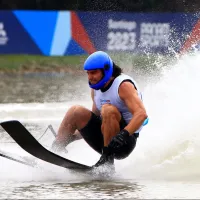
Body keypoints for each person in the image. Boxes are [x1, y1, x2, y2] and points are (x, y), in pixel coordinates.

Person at [51, 51, 148, 170]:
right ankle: (55, 150)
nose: (90, 77)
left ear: (106, 70)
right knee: (75, 111)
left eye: (94, 73)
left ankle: (107, 162)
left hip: (125, 142)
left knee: (108, 110)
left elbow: (141, 114)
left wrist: (123, 134)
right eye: (88, 73)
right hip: (104, 140)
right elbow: (95, 121)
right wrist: (73, 137)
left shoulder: (123, 86)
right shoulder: (96, 88)